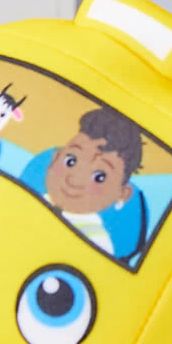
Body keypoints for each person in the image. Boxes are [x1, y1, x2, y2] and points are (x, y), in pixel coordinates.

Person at [21, 105, 147, 260]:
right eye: (71, 161)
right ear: (56, 157)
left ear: (122, 194)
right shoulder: (31, 202)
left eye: (99, 177)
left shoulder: (95, 241)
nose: (75, 181)